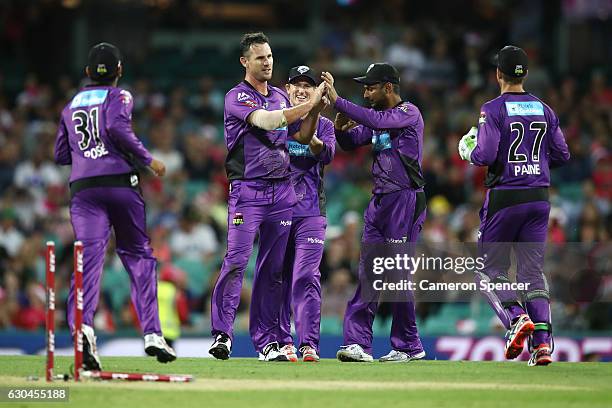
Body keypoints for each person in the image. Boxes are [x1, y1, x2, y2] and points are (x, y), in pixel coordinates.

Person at [54, 42, 176, 370]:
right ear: (119, 71)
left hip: (83, 191)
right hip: (121, 185)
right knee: (138, 256)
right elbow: (116, 127)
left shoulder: (71, 105)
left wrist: (86, 154)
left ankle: (83, 329)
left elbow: (60, 155)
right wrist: (148, 160)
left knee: (87, 262)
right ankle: (152, 333)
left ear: (87, 73)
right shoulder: (120, 96)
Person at [208, 33, 326, 362]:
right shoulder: (237, 97)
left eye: (270, 56)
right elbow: (268, 121)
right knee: (236, 261)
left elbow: (302, 134)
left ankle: (268, 342)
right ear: (245, 62)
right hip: (248, 191)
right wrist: (310, 102)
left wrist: (315, 112)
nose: (268, 62)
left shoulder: (279, 95)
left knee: (273, 269)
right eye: (260, 58)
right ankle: (222, 334)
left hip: (282, 192)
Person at [458, 45, 570, 366]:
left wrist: (469, 148)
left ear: (498, 74)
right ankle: (543, 345)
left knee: (489, 269)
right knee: (532, 272)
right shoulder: (545, 109)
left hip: (506, 196)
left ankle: (516, 316)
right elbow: (562, 154)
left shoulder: (492, 109)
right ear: (525, 74)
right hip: (539, 197)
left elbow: (486, 154)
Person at [322, 63, 426, 362]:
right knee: (369, 272)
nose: (366, 92)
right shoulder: (380, 120)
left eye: (371, 87)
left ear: (388, 88)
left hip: (405, 200)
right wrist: (341, 129)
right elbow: (352, 141)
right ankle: (358, 344)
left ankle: (409, 345)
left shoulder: (407, 113)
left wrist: (338, 100)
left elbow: (372, 119)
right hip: (379, 202)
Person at [252, 66, 335, 363]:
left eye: (308, 86)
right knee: (278, 276)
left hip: (311, 212)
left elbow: (324, 153)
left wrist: (311, 115)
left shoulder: (324, 124)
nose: (301, 89)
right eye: (296, 85)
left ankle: (308, 343)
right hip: (277, 209)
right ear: (286, 89)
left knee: (306, 274)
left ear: (315, 92)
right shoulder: (276, 121)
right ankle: (282, 340)